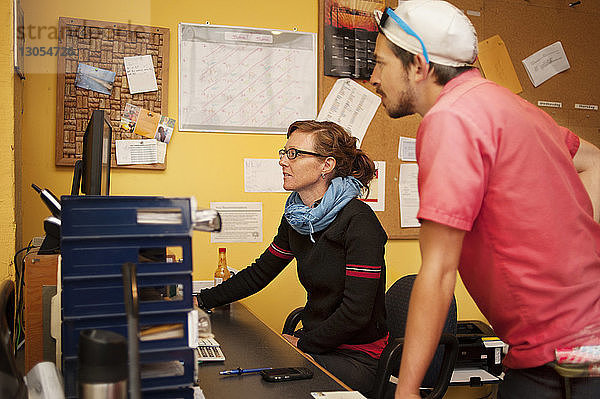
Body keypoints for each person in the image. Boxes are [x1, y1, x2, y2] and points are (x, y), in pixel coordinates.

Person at [369, 1, 600, 398]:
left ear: (419, 66)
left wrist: (406, 390)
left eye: (380, 63)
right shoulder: (512, 105)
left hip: (569, 353)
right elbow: (594, 160)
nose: (373, 77)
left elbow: (439, 272)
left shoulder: (450, 119)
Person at [197, 120, 388, 396]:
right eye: (284, 152)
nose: (283, 161)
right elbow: (261, 272)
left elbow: (355, 314)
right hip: (319, 342)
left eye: (294, 154)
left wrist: (302, 344)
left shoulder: (359, 222)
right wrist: (202, 300)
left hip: (357, 357)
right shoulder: (298, 219)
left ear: (326, 165)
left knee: (271, 386)